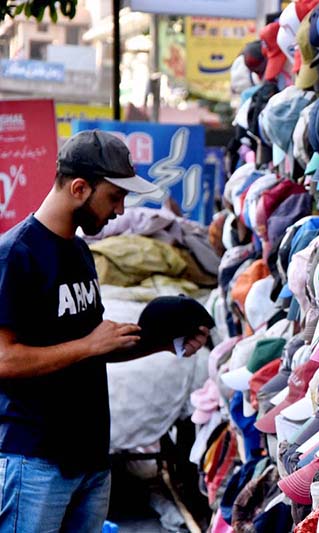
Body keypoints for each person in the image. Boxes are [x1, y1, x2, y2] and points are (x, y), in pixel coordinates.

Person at [0, 130, 209, 532]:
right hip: (36, 461)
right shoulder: (16, 255)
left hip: (92, 458)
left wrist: (163, 343)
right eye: (114, 197)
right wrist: (87, 344)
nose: (119, 210)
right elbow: (5, 358)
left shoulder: (79, 252)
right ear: (80, 188)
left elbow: (96, 346)